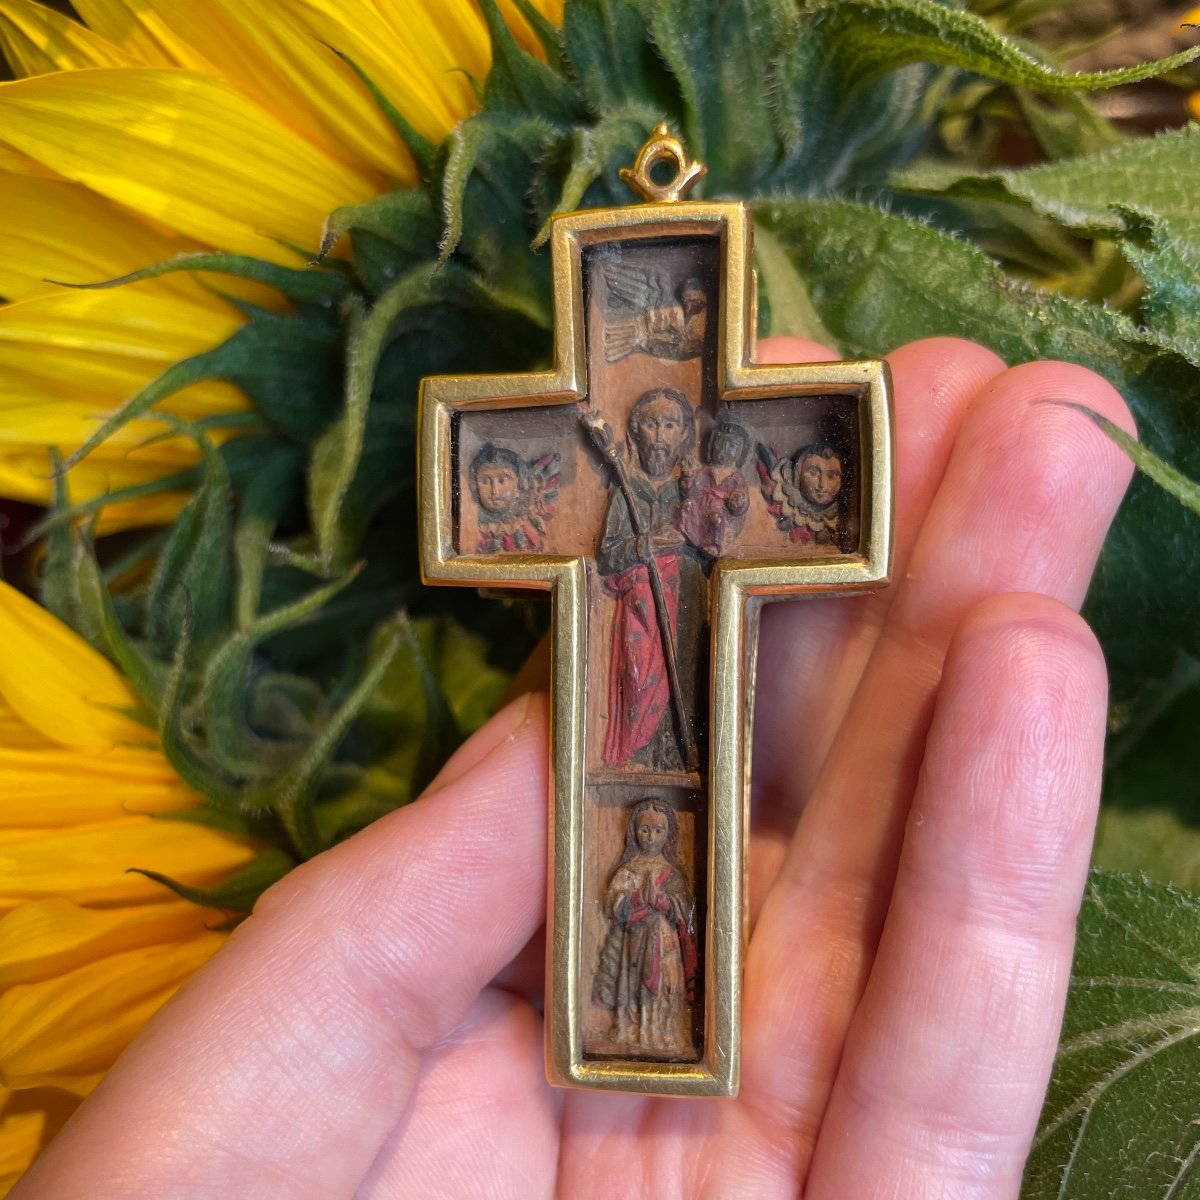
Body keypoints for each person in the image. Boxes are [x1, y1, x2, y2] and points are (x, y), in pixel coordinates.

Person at [11, 337, 1134, 1199]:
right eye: (643, 434)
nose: (652, 443)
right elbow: (604, 519)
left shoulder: (699, 486)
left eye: (660, 434)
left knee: (678, 723)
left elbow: (723, 511)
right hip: (630, 620)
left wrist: (692, 517)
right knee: (636, 712)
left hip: (685, 614)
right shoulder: (621, 488)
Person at [596, 387, 706, 770]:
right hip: (640, 604)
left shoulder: (690, 489)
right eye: (651, 423)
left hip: (685, 598)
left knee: (686, 674)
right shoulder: (627, 489)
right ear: (634, 433)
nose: (660, 435)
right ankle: (637, 753)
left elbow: (710, 542)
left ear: (686, 436)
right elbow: (608, 555)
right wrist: (646, 543)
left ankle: (676, 755)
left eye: (670, 424)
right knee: (638, 675)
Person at [593, 798, 698, 1058]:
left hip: (665, 943)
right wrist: (638, 899)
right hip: (635, 943)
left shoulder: (672, 874)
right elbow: (613, 906)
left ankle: (663, 1032)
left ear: (669, 834)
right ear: (634, 831)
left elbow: (684, 911)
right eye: (645, 829)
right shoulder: (628, 871)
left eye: (658, 831)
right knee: (633, 985)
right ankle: (632, 1030)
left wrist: (664, 902)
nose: (651, 837)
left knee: (666, 986)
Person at [468, 442, 560, 553]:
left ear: (519, 486)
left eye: (502, 480)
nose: (495, 491)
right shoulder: (473, 520)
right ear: (476, 487)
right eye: (485, 481)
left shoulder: (528, 515)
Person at [680, 416, 751, 557]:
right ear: (712, 445)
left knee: (716, 519)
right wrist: (688, 476)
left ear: (741, 453)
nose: (723, 451)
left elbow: (741, 505)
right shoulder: (706, 471)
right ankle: (688, 534)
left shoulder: (736, 478)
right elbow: (690, 489)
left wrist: (738, 500)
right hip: (700, 511)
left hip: (720, 515)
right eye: (719, 444)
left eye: (731, 447)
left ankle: (714, 544)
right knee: (687, 506)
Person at [757, 439, 845, 547]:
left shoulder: (842, 515)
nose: (822, 484)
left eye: (831, 476)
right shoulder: (785, 495)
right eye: (813, 473)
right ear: (797, 474)